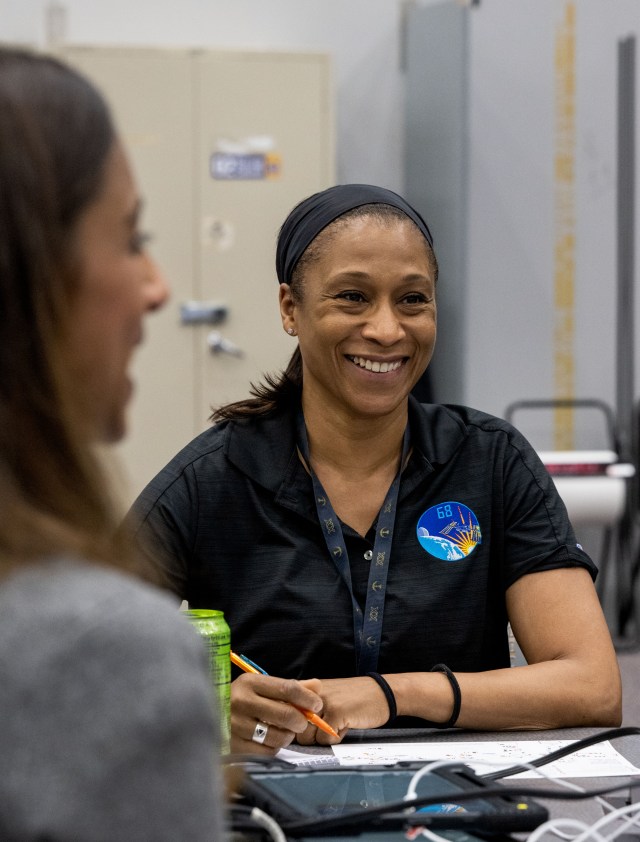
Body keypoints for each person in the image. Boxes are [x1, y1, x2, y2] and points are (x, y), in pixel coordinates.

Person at [131, 183, 622, 756]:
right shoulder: (212, 480)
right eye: (353, 298)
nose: (387, 330)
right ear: (291, 309)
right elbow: (72, 679)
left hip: (455, 804)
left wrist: (391, 695)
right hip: (271, 809)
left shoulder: (490, 461)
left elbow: (592, 684)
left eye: (412, 299)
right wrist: (211, 712)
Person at [0, 48, 225, 839]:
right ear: (31, 276)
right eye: (131, 237)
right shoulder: (99, 648)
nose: (159, 286)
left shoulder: (488, 455)